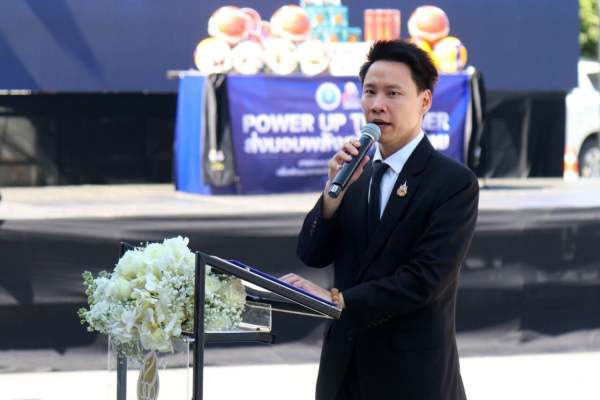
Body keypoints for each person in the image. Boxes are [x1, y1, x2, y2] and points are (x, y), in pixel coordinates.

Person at [281, 40, 479, 400]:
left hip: (412, 377)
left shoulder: (452, 182)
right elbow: (311, 253)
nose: (377, 105)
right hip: (344, 374)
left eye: (393, 93)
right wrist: (331, 196)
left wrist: (339, 300)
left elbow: (425, 279)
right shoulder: (355, 174)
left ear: (424, 102)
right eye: (370, 92)